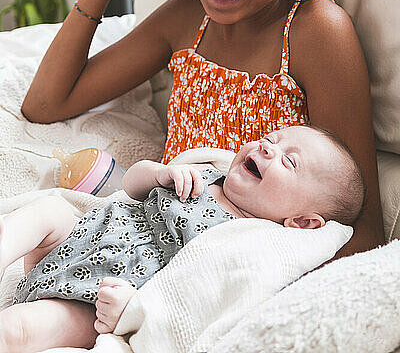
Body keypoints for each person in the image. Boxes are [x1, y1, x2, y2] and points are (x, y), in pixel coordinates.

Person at [21, 0, 383, 268]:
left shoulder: (316, 31)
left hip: (237, 273)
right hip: (148, 246)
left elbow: (360, 229)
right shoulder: (190, 15)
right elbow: (46, 104)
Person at [0, 125, 365, 351]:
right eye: (271, 138)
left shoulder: (255, 242)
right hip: (82, 233)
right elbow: (130, 187)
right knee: (47, 211)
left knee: (20, 329)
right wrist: (161, 173)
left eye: (289, 162)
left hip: (99, 295)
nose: (268, 148)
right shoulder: (206, 172)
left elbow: (195, 298)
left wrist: (130, 311)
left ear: (302, 222)